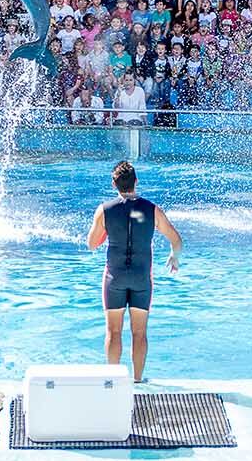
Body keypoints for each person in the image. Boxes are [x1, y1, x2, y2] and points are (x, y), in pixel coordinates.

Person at [85, 160, 183, 383]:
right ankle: (138, 381)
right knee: (139, 333)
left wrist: (106, 235)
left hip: (114, 277)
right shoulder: (152, 209)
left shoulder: (104, 210)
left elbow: (91, 244)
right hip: (141, 278)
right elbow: (176, 240)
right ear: (136, 182)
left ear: (114, 184)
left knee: (113, 332)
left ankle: (112, 381)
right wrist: (174, 257)